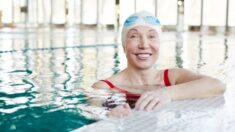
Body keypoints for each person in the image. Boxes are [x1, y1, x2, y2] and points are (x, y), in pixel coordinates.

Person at [92, 11, 225, 118]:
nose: (144, 45)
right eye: (134, 36)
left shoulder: (173, 77)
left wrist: (167, 93)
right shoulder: (104, 86)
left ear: (159, 44)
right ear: (123, 45)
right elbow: (92, 111)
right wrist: (108, 115)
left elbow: (217, 86)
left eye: (151, 36)